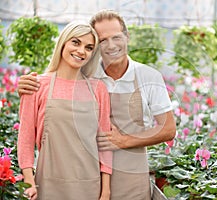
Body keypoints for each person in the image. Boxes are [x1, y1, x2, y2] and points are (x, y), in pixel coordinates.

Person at [17, 9, 176, 200]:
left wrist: (124, 141)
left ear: (127, 37)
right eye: (102, 40)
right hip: (80, 178)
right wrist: (25, 87)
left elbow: (168, 129)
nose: (111, 45)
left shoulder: (148, 77)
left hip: (129, 179)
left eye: (116, 37)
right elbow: (31, 130)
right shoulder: (89, 76)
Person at [17, 21, 112, 200]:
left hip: (89, 185)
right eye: (76, 42)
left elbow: (104, 143)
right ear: (63, 43)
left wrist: (105, 191)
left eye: (89, 47)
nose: (81, 51)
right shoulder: (37, 85)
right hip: (48, 185)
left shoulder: (98, 89)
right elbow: (25, 140)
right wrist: (29, 182)